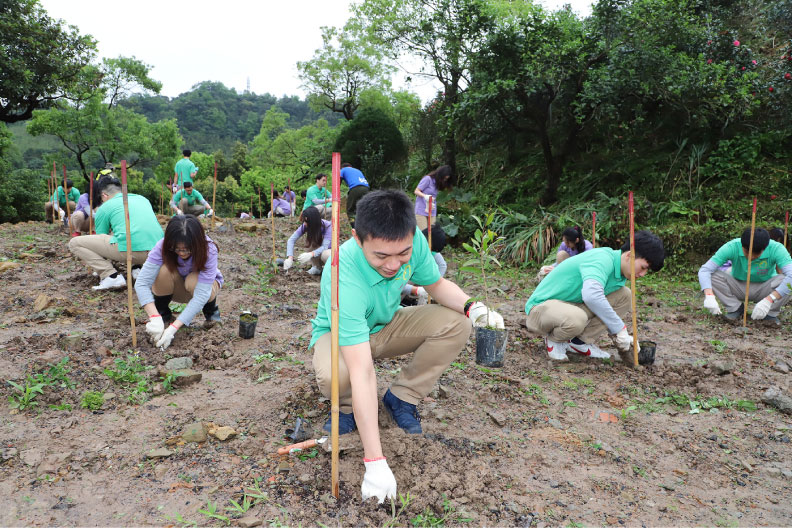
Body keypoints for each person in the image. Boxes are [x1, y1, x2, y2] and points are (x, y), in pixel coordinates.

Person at [309, 190, 503, 503]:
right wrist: (375, 461)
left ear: (411, 236)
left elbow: (436, 285)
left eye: (402, 254)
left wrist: (473, 307)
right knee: (340, 375)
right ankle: (345, 408)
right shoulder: (341, 274)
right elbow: (363, 371)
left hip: (386, 325)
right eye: (381, 256)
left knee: (456, 324)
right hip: (338, 336)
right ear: (358, 239)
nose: (393, 264)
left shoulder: (413, 244)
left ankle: (401, 398)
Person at [525, 230, 665, 361]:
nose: (642, 274)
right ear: (629, 255)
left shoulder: (620, 273)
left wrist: (620, 337)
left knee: (624, 295)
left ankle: (579, 342)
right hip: (540, 310)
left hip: (568, 306)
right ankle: (556, 340)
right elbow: (591, 296)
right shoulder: (602, 259)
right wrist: (620, 329)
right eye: (643, 268)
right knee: (577, 318)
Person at [135, 215, 223, 350]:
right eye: (177, 249)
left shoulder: (208, 249)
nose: (182, 253)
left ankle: (211, 313)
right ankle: (163, 314)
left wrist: (174, 328)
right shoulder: (163, 246)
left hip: (202, 291)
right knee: (162, 271)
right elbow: (141, 282)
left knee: (193, 280)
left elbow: (201, 295)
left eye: (187, 249)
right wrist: (154, 316)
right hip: (176, 288)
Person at [68, 177, 163, 290]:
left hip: (132, 251)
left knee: (74, 243)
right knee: (127, 232)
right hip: (159, 252)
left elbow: (101, 237)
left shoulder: (105, 207)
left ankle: (110, 276)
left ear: (104, 195)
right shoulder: (142, 199)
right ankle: (138, 269)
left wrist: (98, 266)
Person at [699, 227, 792, 324]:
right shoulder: (732, 246)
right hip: (738, 286)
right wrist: (709, 296)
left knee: (787, 280)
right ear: (742, 245)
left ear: (765, 248)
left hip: (766, 288)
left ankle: (770, 313)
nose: (751, 257)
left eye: (756, 254)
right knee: (713, 275)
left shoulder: (776, 249)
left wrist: (770, 299)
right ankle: (735, 308)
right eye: (747, 252)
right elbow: (705, 270)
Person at [401, 225, 448, 305]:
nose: (432, 252)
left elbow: (442, 265)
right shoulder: (406, 250)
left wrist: (436, 283)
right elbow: (396, 285)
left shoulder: (429, 247)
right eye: (431, 250)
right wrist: (417, 290)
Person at [283, 206, 330, 275]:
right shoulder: (306, 225)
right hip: (319, 252)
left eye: (306, 221)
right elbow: (291, 240)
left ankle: (330, 270)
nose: (304, 223)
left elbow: (325, 247)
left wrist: (311, 254)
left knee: (326, 254)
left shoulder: (328, 226)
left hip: (330, 252)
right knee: (310, 243)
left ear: (313, 221)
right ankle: (317, 267)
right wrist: (290, 257)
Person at [414, 165, 452, 231]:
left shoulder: (437, 184)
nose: (444, 180)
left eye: (446, 179)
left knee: (433, 233)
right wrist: (425, 196)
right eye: (444, 178)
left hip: (432, 211)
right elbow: (416, 191)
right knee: (424, 234)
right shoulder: (428, 179)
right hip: (421, 210)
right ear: (440, 175)